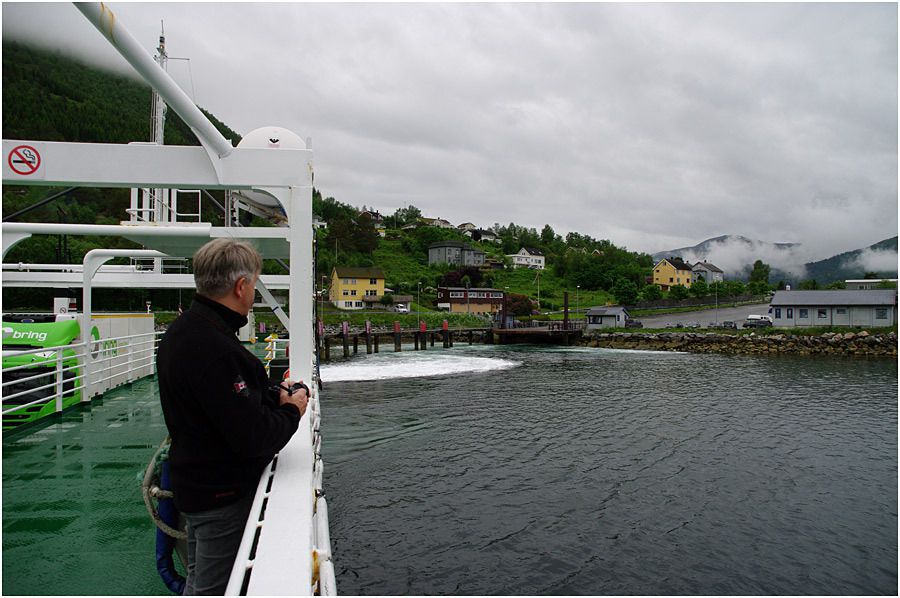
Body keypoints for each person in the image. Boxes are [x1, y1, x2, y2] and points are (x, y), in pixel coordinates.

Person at [156, 238, 308, 595]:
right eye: (254, 285)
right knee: (214, 588)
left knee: (198, 579)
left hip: (194, 487)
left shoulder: (181, 332)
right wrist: (292, 409)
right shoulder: (216, 348)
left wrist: (271, 395)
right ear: (241, 286)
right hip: (220, 496)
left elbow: (220, 403)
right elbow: (254, 437)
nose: (253, 294)